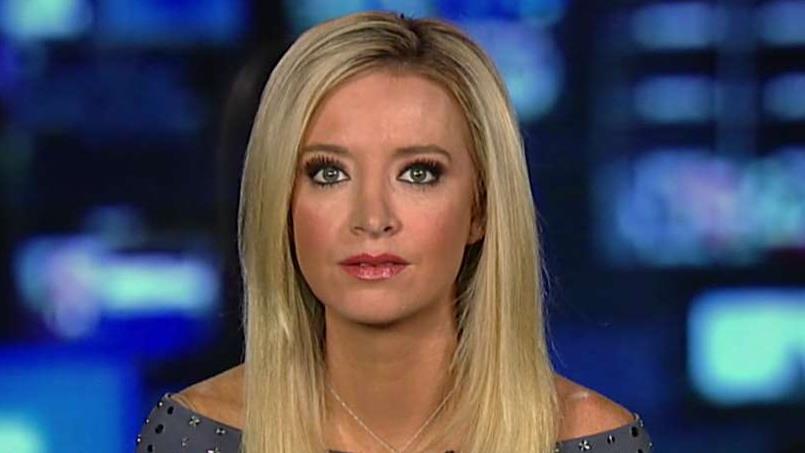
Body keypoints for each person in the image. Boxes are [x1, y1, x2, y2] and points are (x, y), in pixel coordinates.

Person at [136, 11, 653, 453]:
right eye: (328, 173)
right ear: (283, 204)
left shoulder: (590, 440)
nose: (372, 217)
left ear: (480, 209)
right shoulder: (197, 436)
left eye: (419, 173)